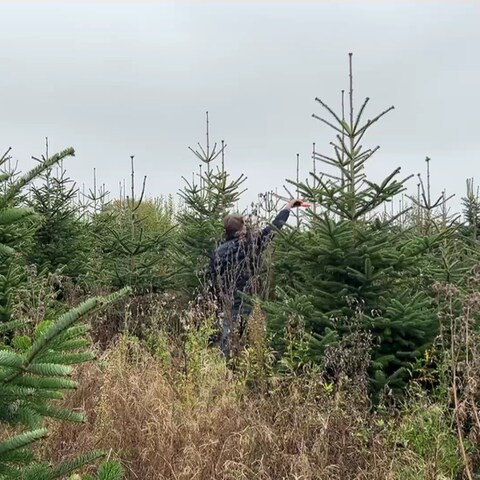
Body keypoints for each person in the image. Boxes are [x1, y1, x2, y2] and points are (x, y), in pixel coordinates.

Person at [207, 198, 303, 356]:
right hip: (247, 295)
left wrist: (219, 295)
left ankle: (227, 363)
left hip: (227, 297)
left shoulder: (218, 251)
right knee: (247, 330)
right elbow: (273, 228)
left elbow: (212, 276)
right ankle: (243, 361)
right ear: (241, 229)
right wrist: (288, 207)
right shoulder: (251, 243)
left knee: (230, 329)